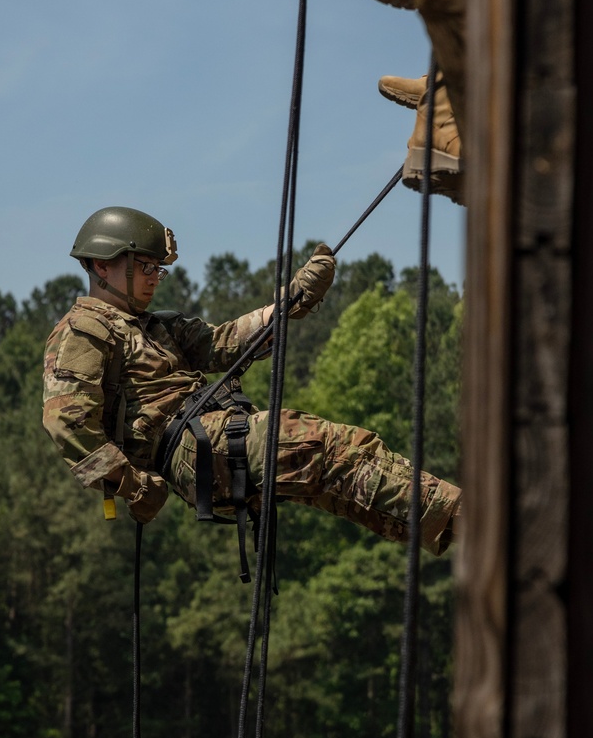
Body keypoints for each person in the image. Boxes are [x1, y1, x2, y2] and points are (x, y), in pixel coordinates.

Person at [42, 207, 461, 556]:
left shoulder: (158, 327)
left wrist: (293, 298)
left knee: (338, 479)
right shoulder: (86, 329)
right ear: (102, 265)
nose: (155, 277)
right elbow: (67, 423)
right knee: (327, 446)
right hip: (193, 448)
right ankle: (464, 515)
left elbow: (225, 343)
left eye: (159, 270)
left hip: (216, 439)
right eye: (146, 266)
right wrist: (130, 485)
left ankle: (456, 529)